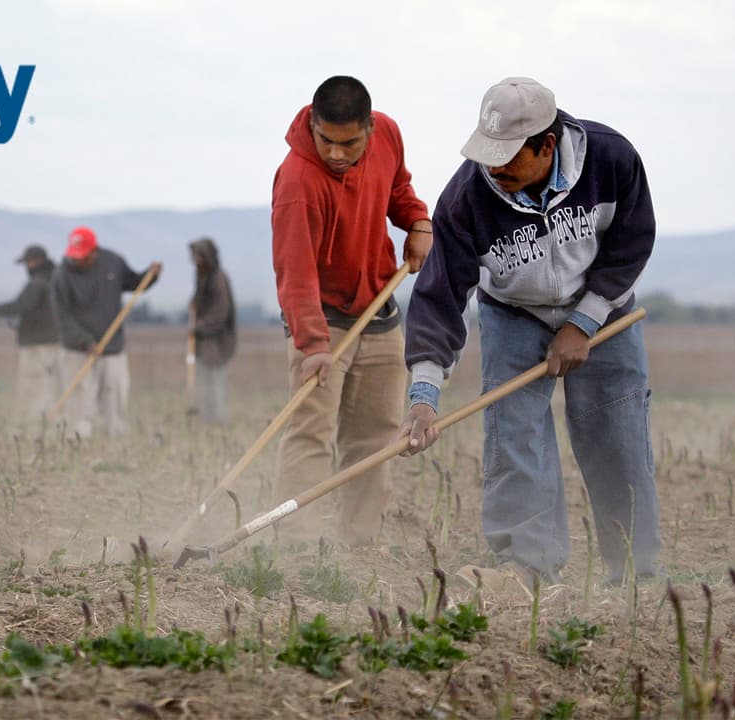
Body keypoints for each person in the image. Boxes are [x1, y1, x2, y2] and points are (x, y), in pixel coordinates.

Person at [399, 77, 662, 588]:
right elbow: (438, 299)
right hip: (514, 315)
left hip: (605, 311)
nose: (495, 169)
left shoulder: (611, 158)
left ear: (547, 143)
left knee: (618, 438)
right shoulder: (465, 198)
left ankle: (636, 574)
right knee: (514, 436)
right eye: (488, 154)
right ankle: (528, 568)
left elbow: (632, 243)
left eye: (508, 156)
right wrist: (424, 394)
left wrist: (584, 322)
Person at [271, 75, 433, 546]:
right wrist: (314, 346)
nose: (337, 154)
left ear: (370, 127)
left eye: (349, 143)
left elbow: (398, 190)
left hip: (379, 312)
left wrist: (418, 221)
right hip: (322, 323)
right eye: (326, 141)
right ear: (312, 124)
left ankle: (359, 547)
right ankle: (295, 548)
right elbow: (294, 273)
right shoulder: (297, 182)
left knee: (377, 438)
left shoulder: (389, 135)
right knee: (311, 434)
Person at [50, 226, 161, 438]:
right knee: (80, 398)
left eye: (83, 256)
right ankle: (77, 438)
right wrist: (85, 341)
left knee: (115, 394)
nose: (78, 260)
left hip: (111, 346)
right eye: (75, 256)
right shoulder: (61, 275)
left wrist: (151, 275)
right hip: (78, 349)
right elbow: (62, 316)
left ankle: (117, 437)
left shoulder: (113, 262)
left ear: (95, 251)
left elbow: (135, 283)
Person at [0, 244, 60, 423]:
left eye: (28, 262)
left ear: (36, 262)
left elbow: (22, 305)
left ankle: (37, 419)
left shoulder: (38, 282)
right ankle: (47, 418)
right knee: (49, 383)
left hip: (38, 344)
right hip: (51, 341)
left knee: (35, 384)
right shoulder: (55, 279)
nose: (26, 267)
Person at [188, 237, 237, 424]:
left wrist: (198, 327)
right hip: (204, 341)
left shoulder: (218, 278)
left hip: (218, 342)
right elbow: (200, 300)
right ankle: (206, 418)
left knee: (215, 382)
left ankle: (218, 420)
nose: (195, 260)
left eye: (199, 256)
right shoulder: (202, 276)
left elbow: (221, 313)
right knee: (204, 380)